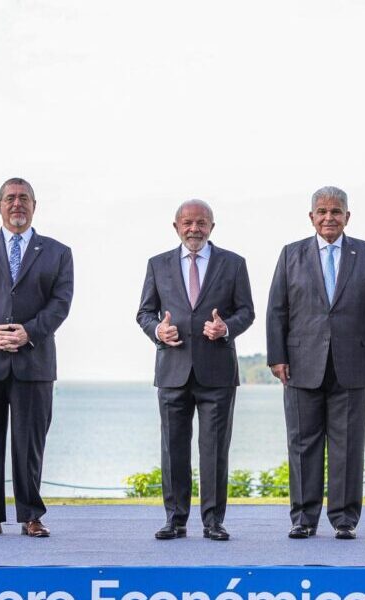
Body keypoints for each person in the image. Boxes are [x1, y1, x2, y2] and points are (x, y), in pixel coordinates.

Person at [267, 186, 365, 541]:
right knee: (302, 445)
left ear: (347, 216)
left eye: (336, 211)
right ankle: (303, 519)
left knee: (348, 446)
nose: (329, 218)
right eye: (322, 212)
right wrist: (277, 356)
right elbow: (277, 309)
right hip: (300, 364)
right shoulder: (290, 254)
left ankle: (344, 519)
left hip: (353, 364)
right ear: (311, 217)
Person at [0, 177, 74, 538]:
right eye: (10, 198)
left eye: (24, 198)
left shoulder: (58, 252)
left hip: (34, 363)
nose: (17, 204)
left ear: (34, 205)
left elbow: (61, 303)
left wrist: (29, 332)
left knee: (29, 445)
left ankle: (31, 516)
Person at [136, 199, 254, 542]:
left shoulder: (234, 264)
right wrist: (158, 331)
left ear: (212, 227)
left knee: (214, 450)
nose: (194, 229)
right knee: (173, 449)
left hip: (217, 372)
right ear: (176, 227)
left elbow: (246, 311)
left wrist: (226, 328)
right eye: (187, 223)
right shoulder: (157, 264)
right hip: (172, 370)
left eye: (201, 223)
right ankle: (175, 520)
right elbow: (144, 313)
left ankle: (213, 522)